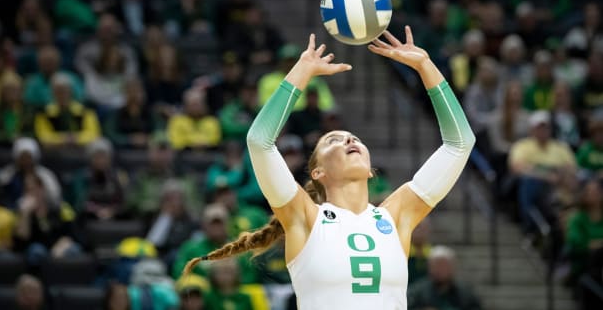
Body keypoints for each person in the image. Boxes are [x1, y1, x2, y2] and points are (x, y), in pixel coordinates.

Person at [182, 27, 475, 309]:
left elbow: (460, 143)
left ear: (371, 170)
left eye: (355, 138)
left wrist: (426, 66)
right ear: (318, 172)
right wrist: (302, 72)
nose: (349, 138)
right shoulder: (305, 218)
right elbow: (259, 141)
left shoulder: (396, 216)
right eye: (334, 139)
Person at [407, 245, 482, 310]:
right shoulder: (416, 293)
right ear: (429, 267)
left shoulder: (465, 294)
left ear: (453, 267)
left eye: (444, 266)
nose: (441, 270)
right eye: (437, 265)